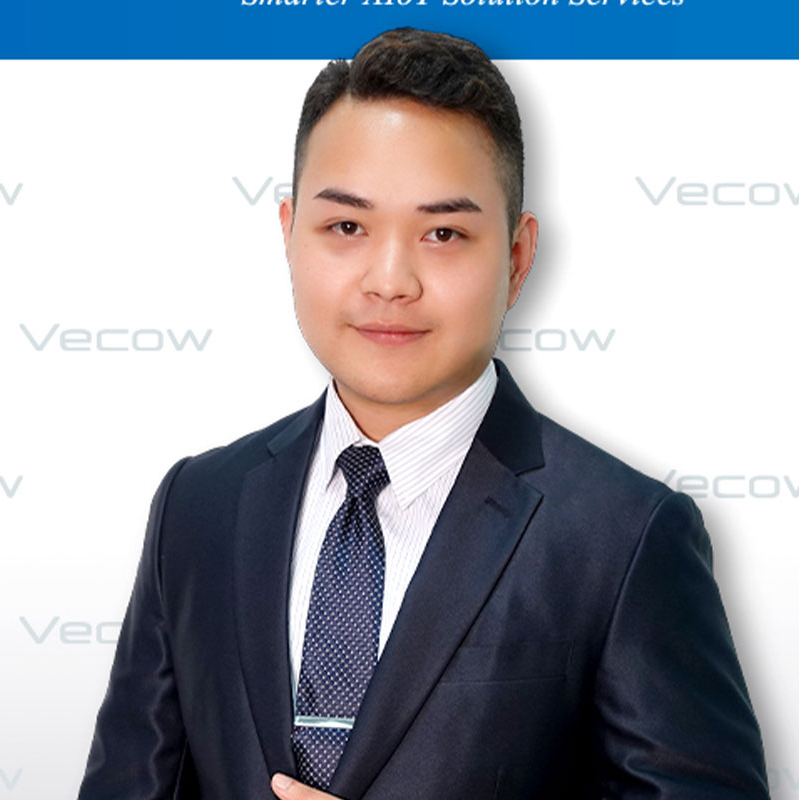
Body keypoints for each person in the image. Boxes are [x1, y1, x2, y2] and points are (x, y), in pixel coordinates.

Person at [78, 27, 770, 800]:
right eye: (346, 227)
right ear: (289, 235)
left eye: (443, 233)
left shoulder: (624, 537)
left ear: (517, 257)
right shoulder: (198, 505)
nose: (389, 280)